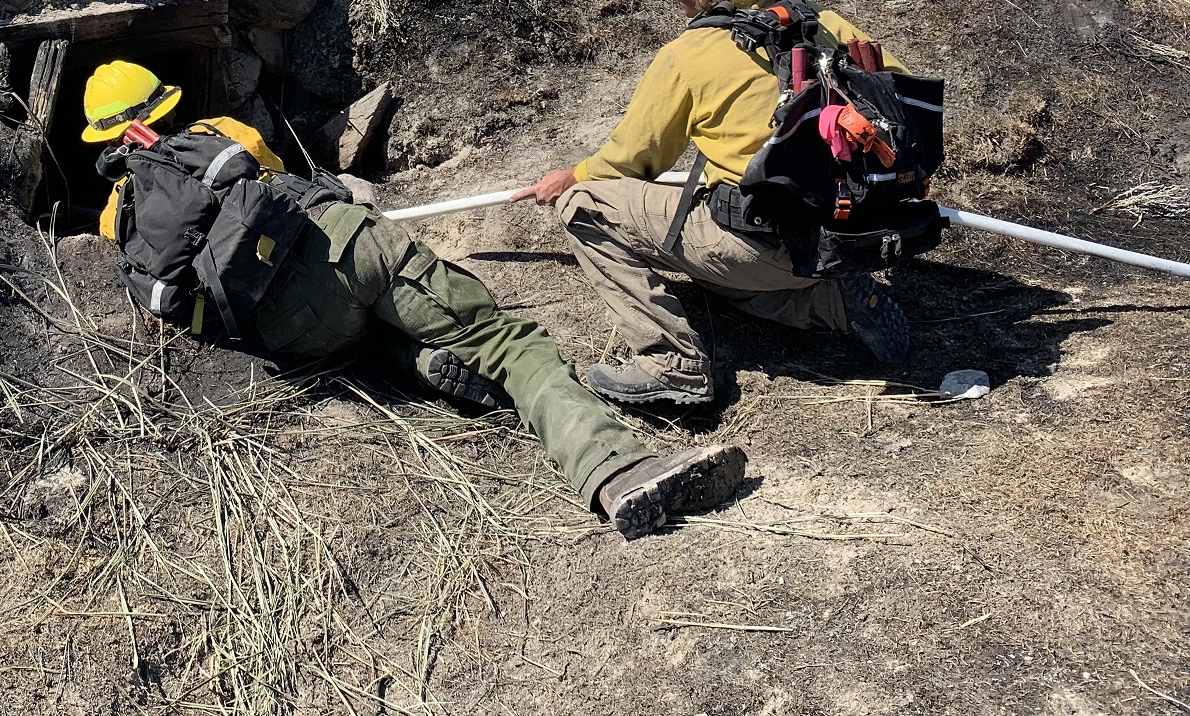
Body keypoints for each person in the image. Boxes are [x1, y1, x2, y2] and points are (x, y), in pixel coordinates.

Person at [81, 59, 746, 538]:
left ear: (104, 143)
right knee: (510, 345)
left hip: (292, 326)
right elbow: (278, 192)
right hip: (346, 242)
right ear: (161, 107)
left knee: (363, 341)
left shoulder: (120, 216)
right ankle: (615, 470)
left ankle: (418, 363)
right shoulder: (219, 132)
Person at [515, 0, 911, 406]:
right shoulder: (826, 25)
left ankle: (672, 365)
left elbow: (632, 161)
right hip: (846, 232)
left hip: (763, 241)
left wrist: (573, 175)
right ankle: (836, 302)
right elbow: (901, 93)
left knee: (585, 207)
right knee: (714, 276)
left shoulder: (691, 54)